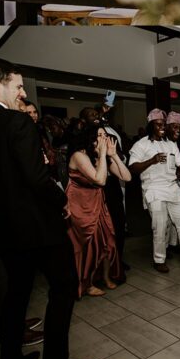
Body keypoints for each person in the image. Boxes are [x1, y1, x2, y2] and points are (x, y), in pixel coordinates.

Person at [0, 60, 90, 359]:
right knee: (64, 288)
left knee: (16, 294)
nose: (23, 93)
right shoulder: (16, 122)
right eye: (18, 86)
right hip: (38, 226)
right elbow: (37, 178)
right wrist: (61, 200)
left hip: (6, 229)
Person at [128, 109, 180, 272]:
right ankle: (159, 260)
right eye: (158, 125)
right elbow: (132, 167)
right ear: (150, 126)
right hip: (153, 188)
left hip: (172, 187)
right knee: (159, 226)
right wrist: (151, 161)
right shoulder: (141, 144)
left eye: (163, 124)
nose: (162, 127)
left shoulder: (170, 144)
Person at [66, 125, 130, 297]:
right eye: (99, 135)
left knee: (108, 239)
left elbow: (127, 177)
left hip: (98, 204)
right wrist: (102, 155)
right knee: (87, 244)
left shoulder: (100, 157)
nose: (104, 139)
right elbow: (100, 180)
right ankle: (85, 283)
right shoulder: (80, 155)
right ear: (90, 138)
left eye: (105, 135)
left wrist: (113, 155)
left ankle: (106, 276)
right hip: (80, 205)